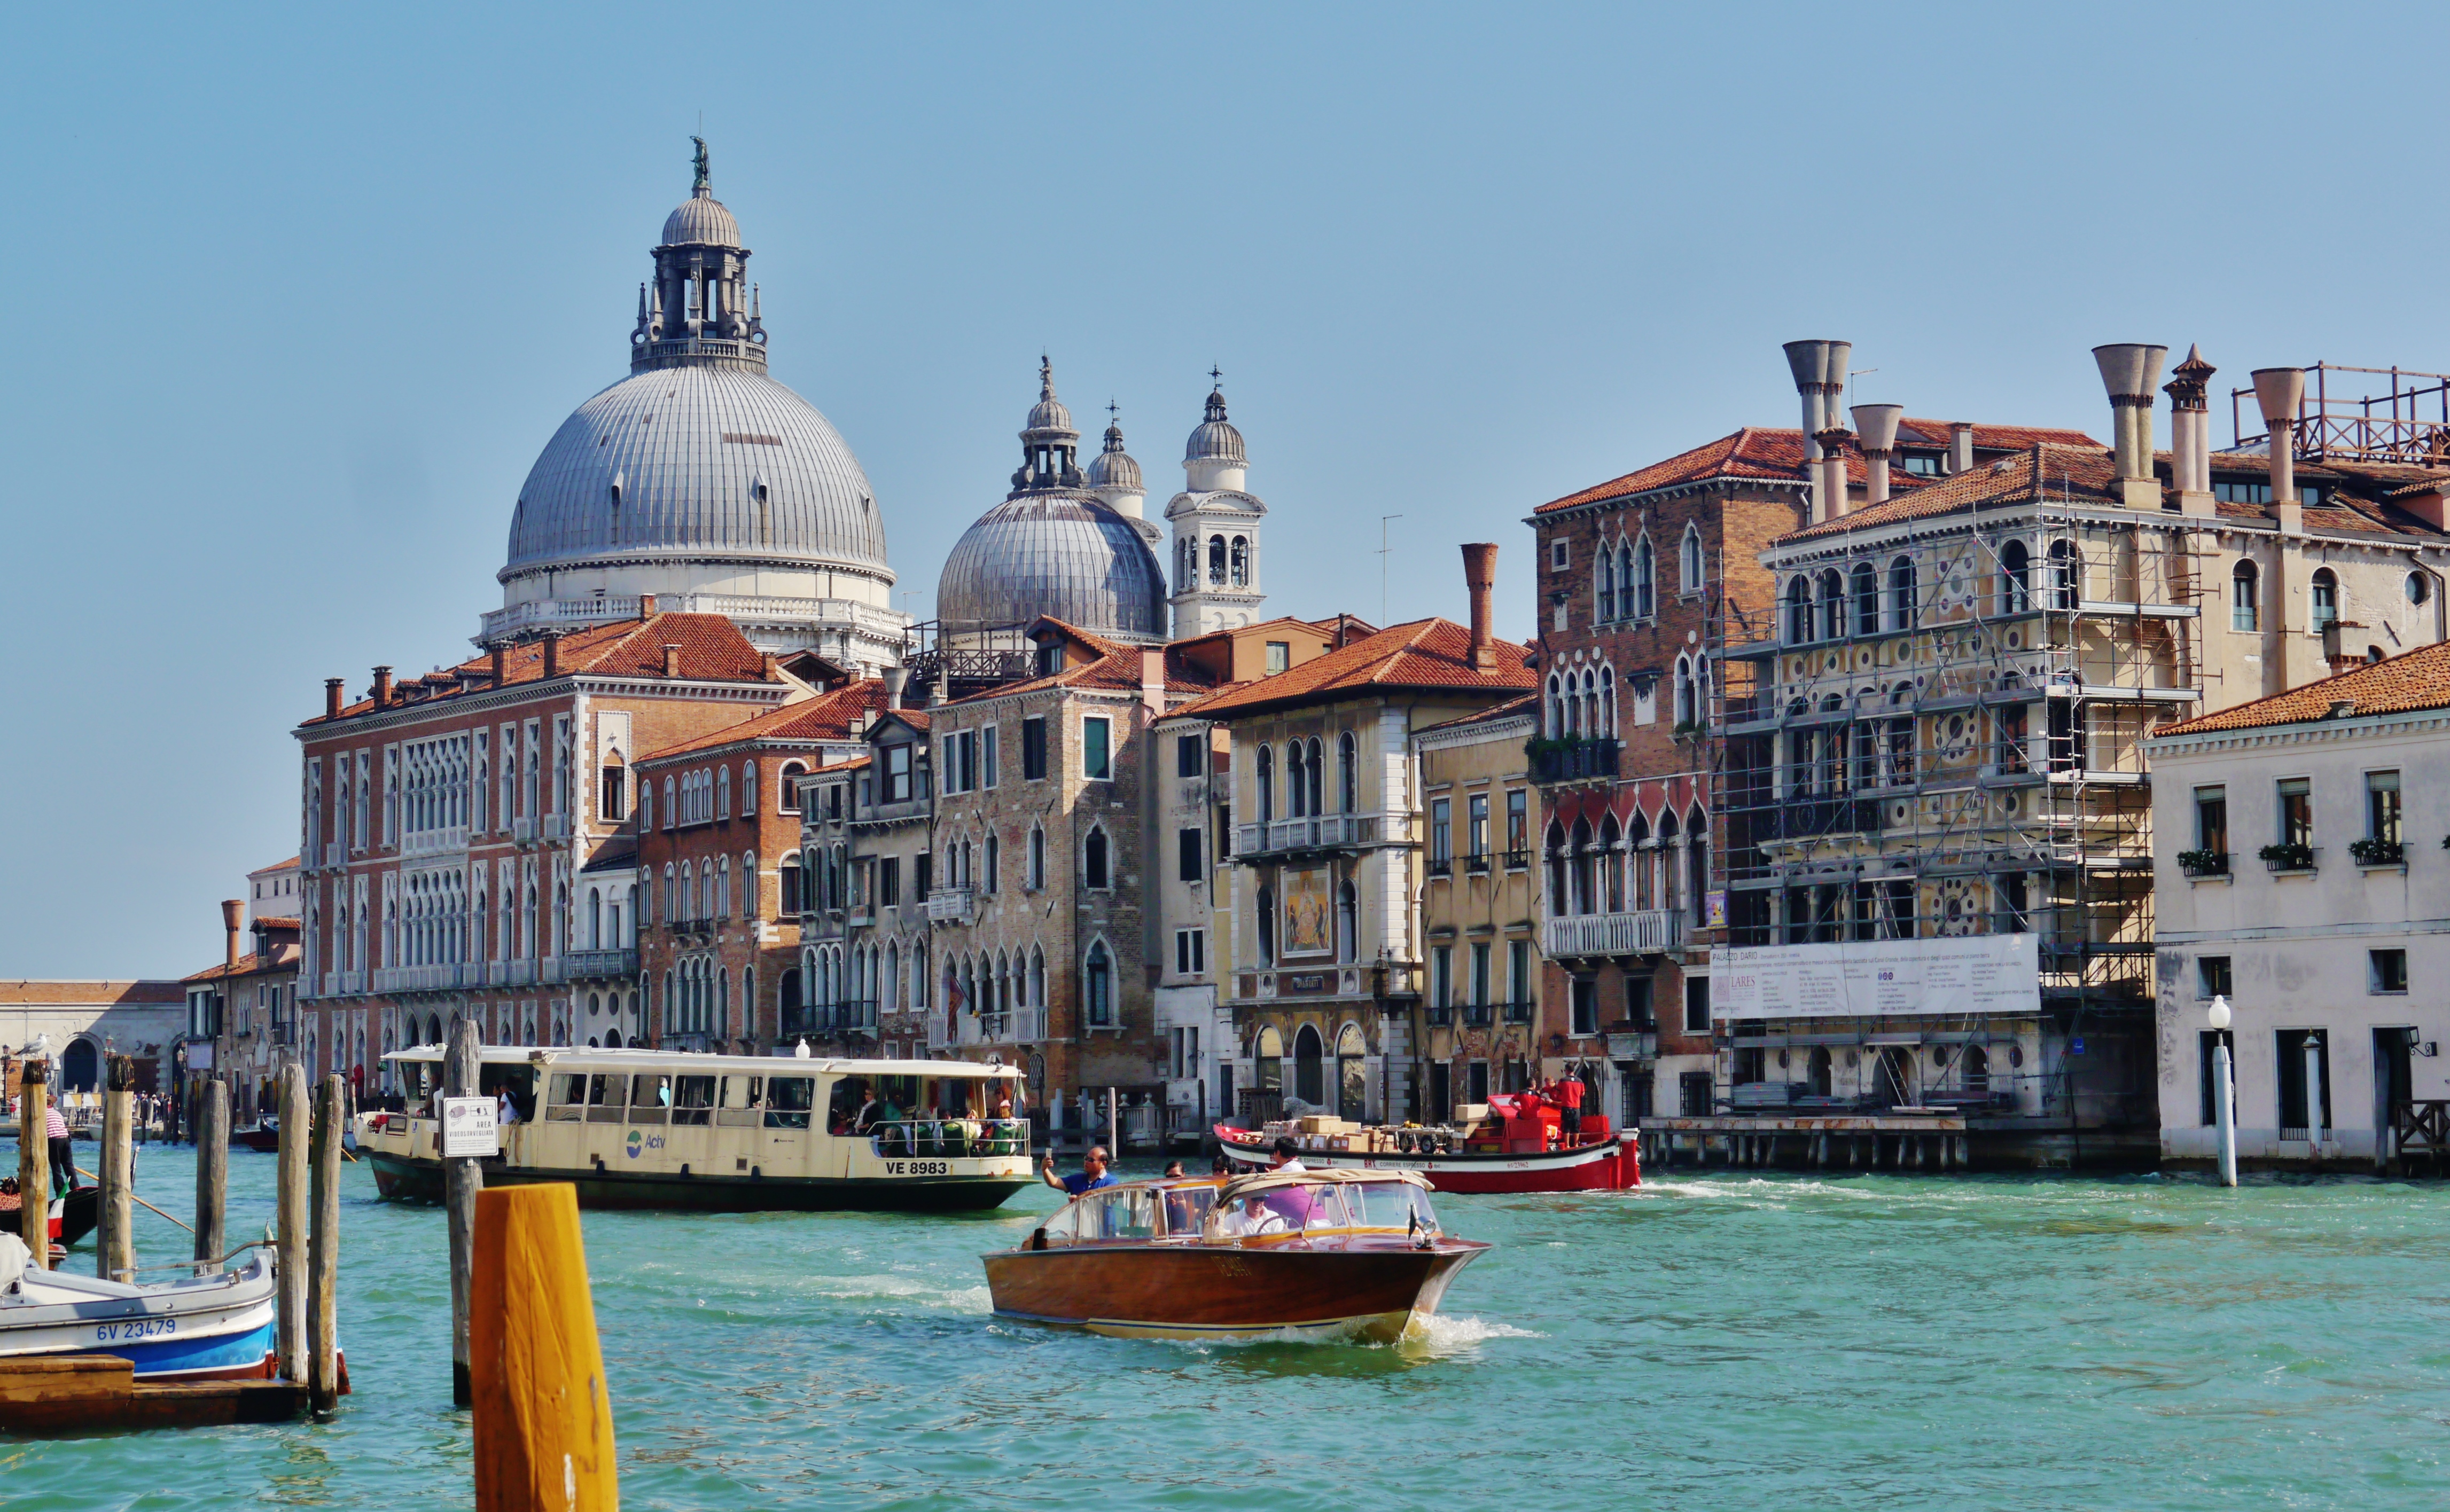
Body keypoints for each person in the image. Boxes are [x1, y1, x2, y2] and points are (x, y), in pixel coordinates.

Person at [1041, 1145, 1117, 1195]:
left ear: (1103, 1164)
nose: (1086, 1162)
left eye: (1091, 1160)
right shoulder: (1078, 1180)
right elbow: (1054, 1182)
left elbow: (1107, 1196)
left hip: (1102, 1220)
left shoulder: (1111, 1182)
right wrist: (1045, 1169)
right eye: (1086, 1159)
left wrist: (1079, 1199)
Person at [1555, 1068, 1585, 1142]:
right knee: (1576, 1127)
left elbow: (1558, 1092)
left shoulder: (1563, 1081)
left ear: (1567, 1071)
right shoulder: (1580, 1081)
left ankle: (1567, 1145)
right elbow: (1583, 1094)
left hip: (1566, 1106)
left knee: (1566, 1127)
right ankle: (1576, 1144)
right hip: (1576, 1107)